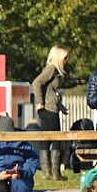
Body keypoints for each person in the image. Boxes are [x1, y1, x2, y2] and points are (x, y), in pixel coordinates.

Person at [31, 44, 70, 180]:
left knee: (48, 140)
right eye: (65, 57)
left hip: (52, 108)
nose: (66, 60)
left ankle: (49, 173)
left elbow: (52, 92)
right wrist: (40, 102)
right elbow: (36, 83)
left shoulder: (55, 70)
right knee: (55, 140)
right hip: (48, 109)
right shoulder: (51, 68)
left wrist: (61, 107)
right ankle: (53, 173)